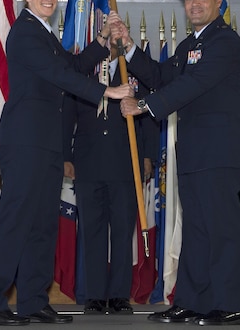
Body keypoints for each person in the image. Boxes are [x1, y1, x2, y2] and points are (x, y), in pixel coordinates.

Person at [0, 0, 133, 326]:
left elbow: (73, 65)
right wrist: (106, 91)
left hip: (46, 145)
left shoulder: (44, 33)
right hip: (26, 142)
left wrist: (102, 40)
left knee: (43, 224)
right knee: (15, 221)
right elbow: (60, 76)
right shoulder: (26, 33)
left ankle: (32, 300)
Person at [112, 0, 240, 326]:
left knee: (220, 228)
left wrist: (142, 106)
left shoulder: (226, 43)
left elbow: (190, 87)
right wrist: (128, 47)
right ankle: (193, 300)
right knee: (196, 229)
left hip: (218, 153)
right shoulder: (192, 44)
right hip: (193, 152)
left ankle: (233, 303)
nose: (194, 4)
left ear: (218, 0)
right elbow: (162, 76)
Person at [62, 54, 158, 315]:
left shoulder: (134, 71)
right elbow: (67, 115)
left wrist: (148, 155)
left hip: (125, 163)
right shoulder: (82, 71)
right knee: (91, 231)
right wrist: (66, 157)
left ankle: (118, 295)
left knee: (122, 231)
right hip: (88, 162)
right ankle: (94, 295)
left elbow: (148, 114)